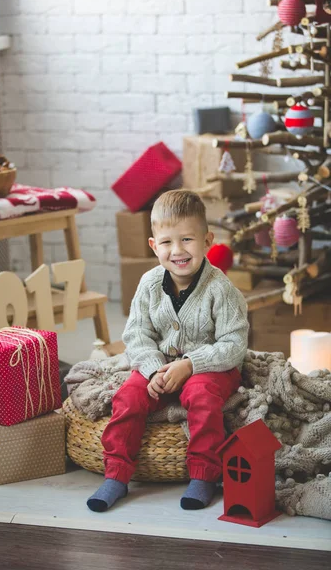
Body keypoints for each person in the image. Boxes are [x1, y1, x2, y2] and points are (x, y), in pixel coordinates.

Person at [87, 189, 249, 512]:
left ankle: (204, 474)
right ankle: (116, 474)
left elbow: (234, 344)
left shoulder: (221, 289)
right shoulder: (148, 284)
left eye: (187, 240)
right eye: (167, 243)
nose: (178, 251)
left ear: (207, 240)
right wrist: (151, 370)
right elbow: (136, 334)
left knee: (203, 398)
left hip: (208, 368)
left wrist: (190, 365)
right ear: (153, 246)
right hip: (158, 367)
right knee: (128, 396)